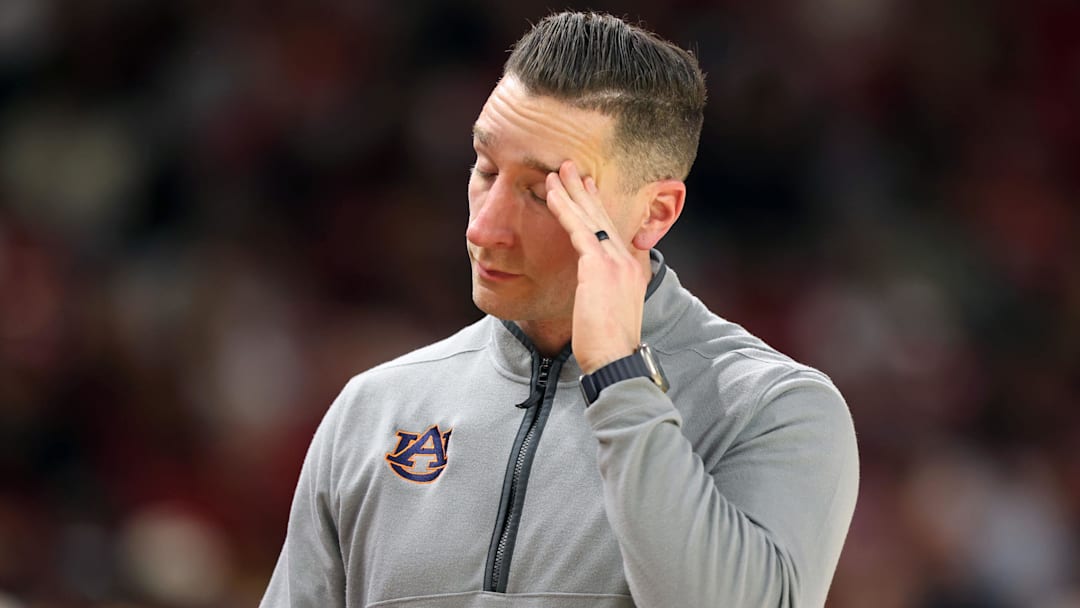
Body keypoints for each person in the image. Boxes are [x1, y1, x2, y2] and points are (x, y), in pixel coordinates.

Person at [261, 11, 858, 608]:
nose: (484, 227)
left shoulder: (775, 410)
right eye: (486, 169)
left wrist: (620, 378)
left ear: (656, 213)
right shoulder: (373, 410)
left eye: (545, 192)